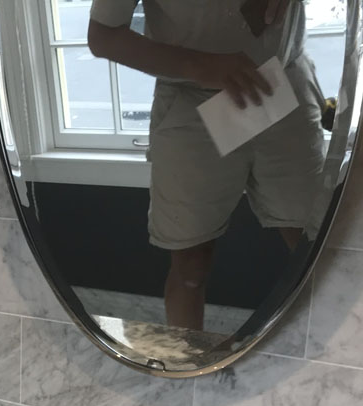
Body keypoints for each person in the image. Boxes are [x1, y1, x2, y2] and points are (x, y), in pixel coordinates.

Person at [87, 0, 326, 330]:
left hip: (282, 76)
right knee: (191, 264)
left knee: (317, 244)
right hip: (191, 95)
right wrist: (200, 65)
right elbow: (102, 36)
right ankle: (187, 359)